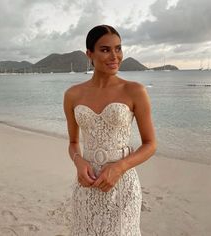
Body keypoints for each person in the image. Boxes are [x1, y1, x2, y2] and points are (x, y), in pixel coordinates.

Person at [63, 25, 157, 236]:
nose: (115, 56)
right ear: (90, 54)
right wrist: (79, 161)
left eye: (118, 48)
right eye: (105, 49)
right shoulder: (73, 95)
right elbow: (72, 143)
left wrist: (119, 167)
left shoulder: (134, 91)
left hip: (123, 184)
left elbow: (150, 144)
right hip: (86, 184)